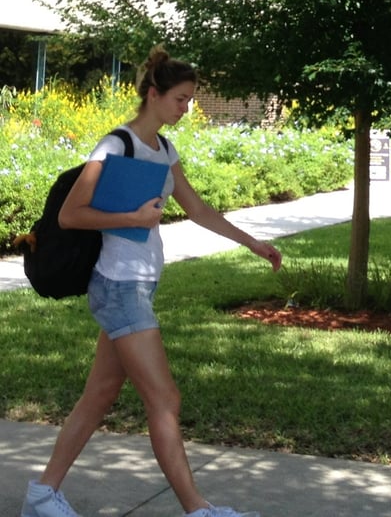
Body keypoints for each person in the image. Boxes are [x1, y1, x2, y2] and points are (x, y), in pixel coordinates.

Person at [21, 48, 282, 517]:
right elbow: (70, 215)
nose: (187, 108)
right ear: (154, 94)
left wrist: (252, 243)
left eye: (190, 100)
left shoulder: (163, 149)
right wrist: (133, 217)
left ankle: (42, 494)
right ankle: (198, 510)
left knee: (100, 394)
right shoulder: (114, 146)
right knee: (165, 399)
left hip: (139, 286)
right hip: (118, 287)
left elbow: (197, 209)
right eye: (181, 99)